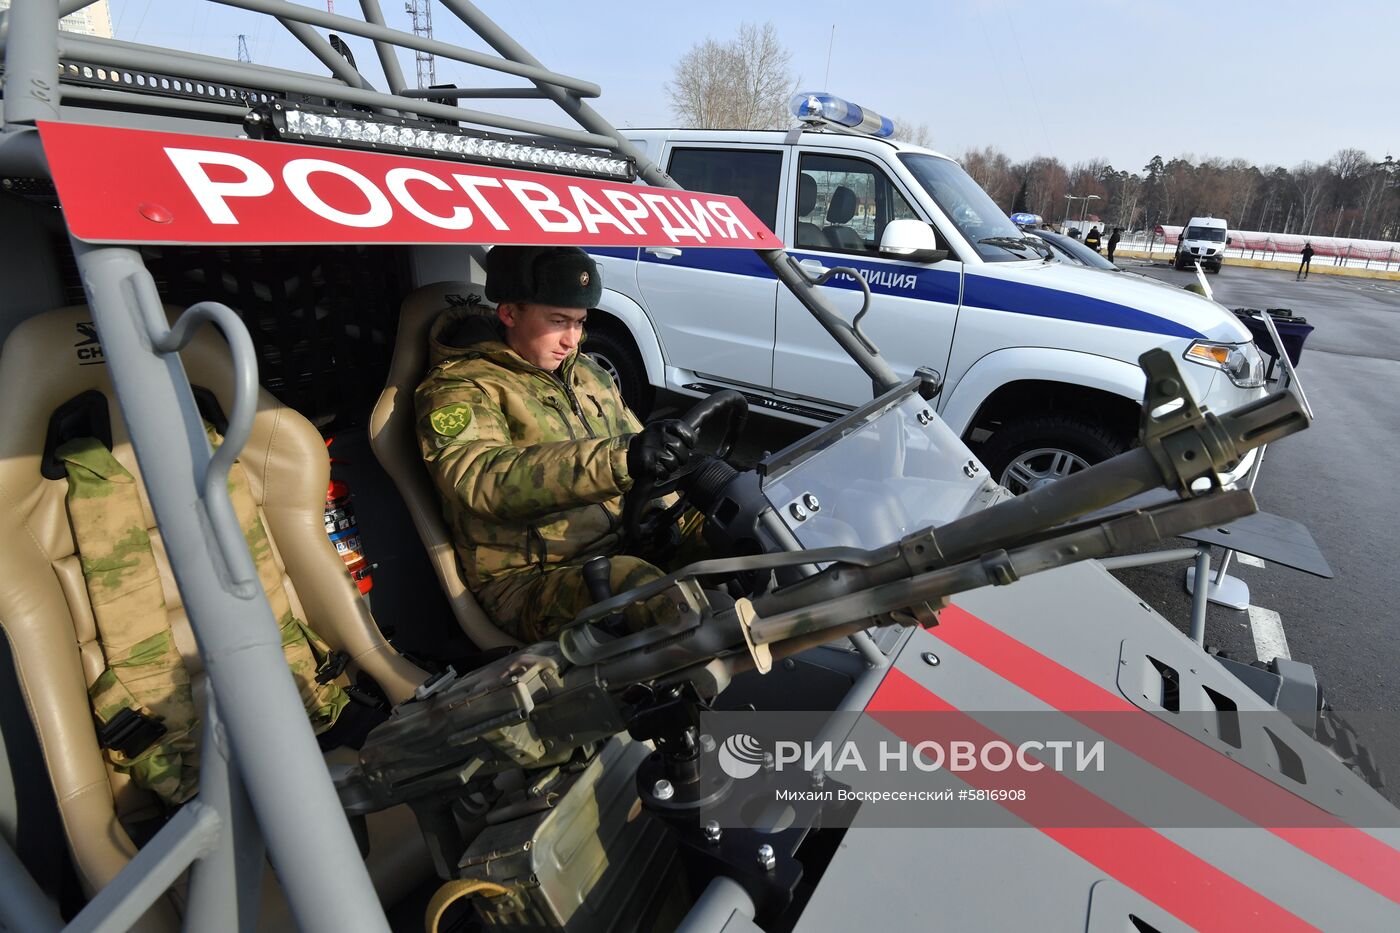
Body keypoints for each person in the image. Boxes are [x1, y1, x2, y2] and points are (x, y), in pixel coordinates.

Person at [415, 245, 701, 643]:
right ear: (510, 313)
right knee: (648, 592)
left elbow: (636, 448)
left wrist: (682, 485)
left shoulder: (584, 372)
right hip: (528, 580)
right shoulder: (460, 387)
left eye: (580, 323)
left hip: (620, 539)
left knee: (734, 532)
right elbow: (479, 480)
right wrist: (623, 458)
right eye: (558, 321)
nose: (573, 340)